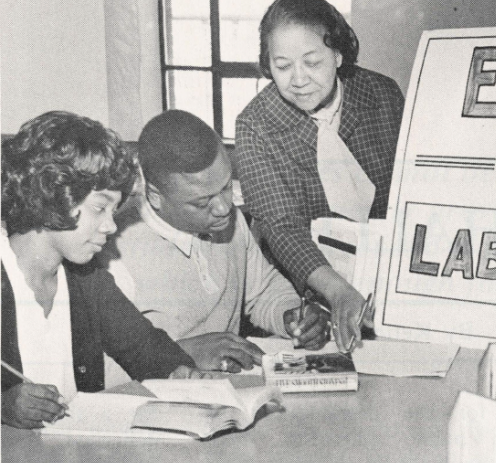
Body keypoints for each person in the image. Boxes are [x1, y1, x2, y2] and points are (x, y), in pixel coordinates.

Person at [0, 111, 202, 429]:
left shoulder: (86, 279)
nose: (110, 226)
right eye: (99, 207)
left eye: (113, 210)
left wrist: (177, 371)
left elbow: (141, 345)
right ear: (51, 191)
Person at [98, 110, 331, 377]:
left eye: (226, 187)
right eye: (202, 202)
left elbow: (262, 291)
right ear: (155, 196)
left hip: (232, 392)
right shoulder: (111, 251)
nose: (223, 207)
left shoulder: (226, 219)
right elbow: (97, 370)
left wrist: (292, 316)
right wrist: (181, 354)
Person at [235, 0, 405, 352]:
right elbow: (282, 227)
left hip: (391, 288)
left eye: (312, 62)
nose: (298, 80)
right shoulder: (255, 125)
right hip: (309, 302)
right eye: (282, 66)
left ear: (339, 56)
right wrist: (338, 291)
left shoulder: (383, 96)